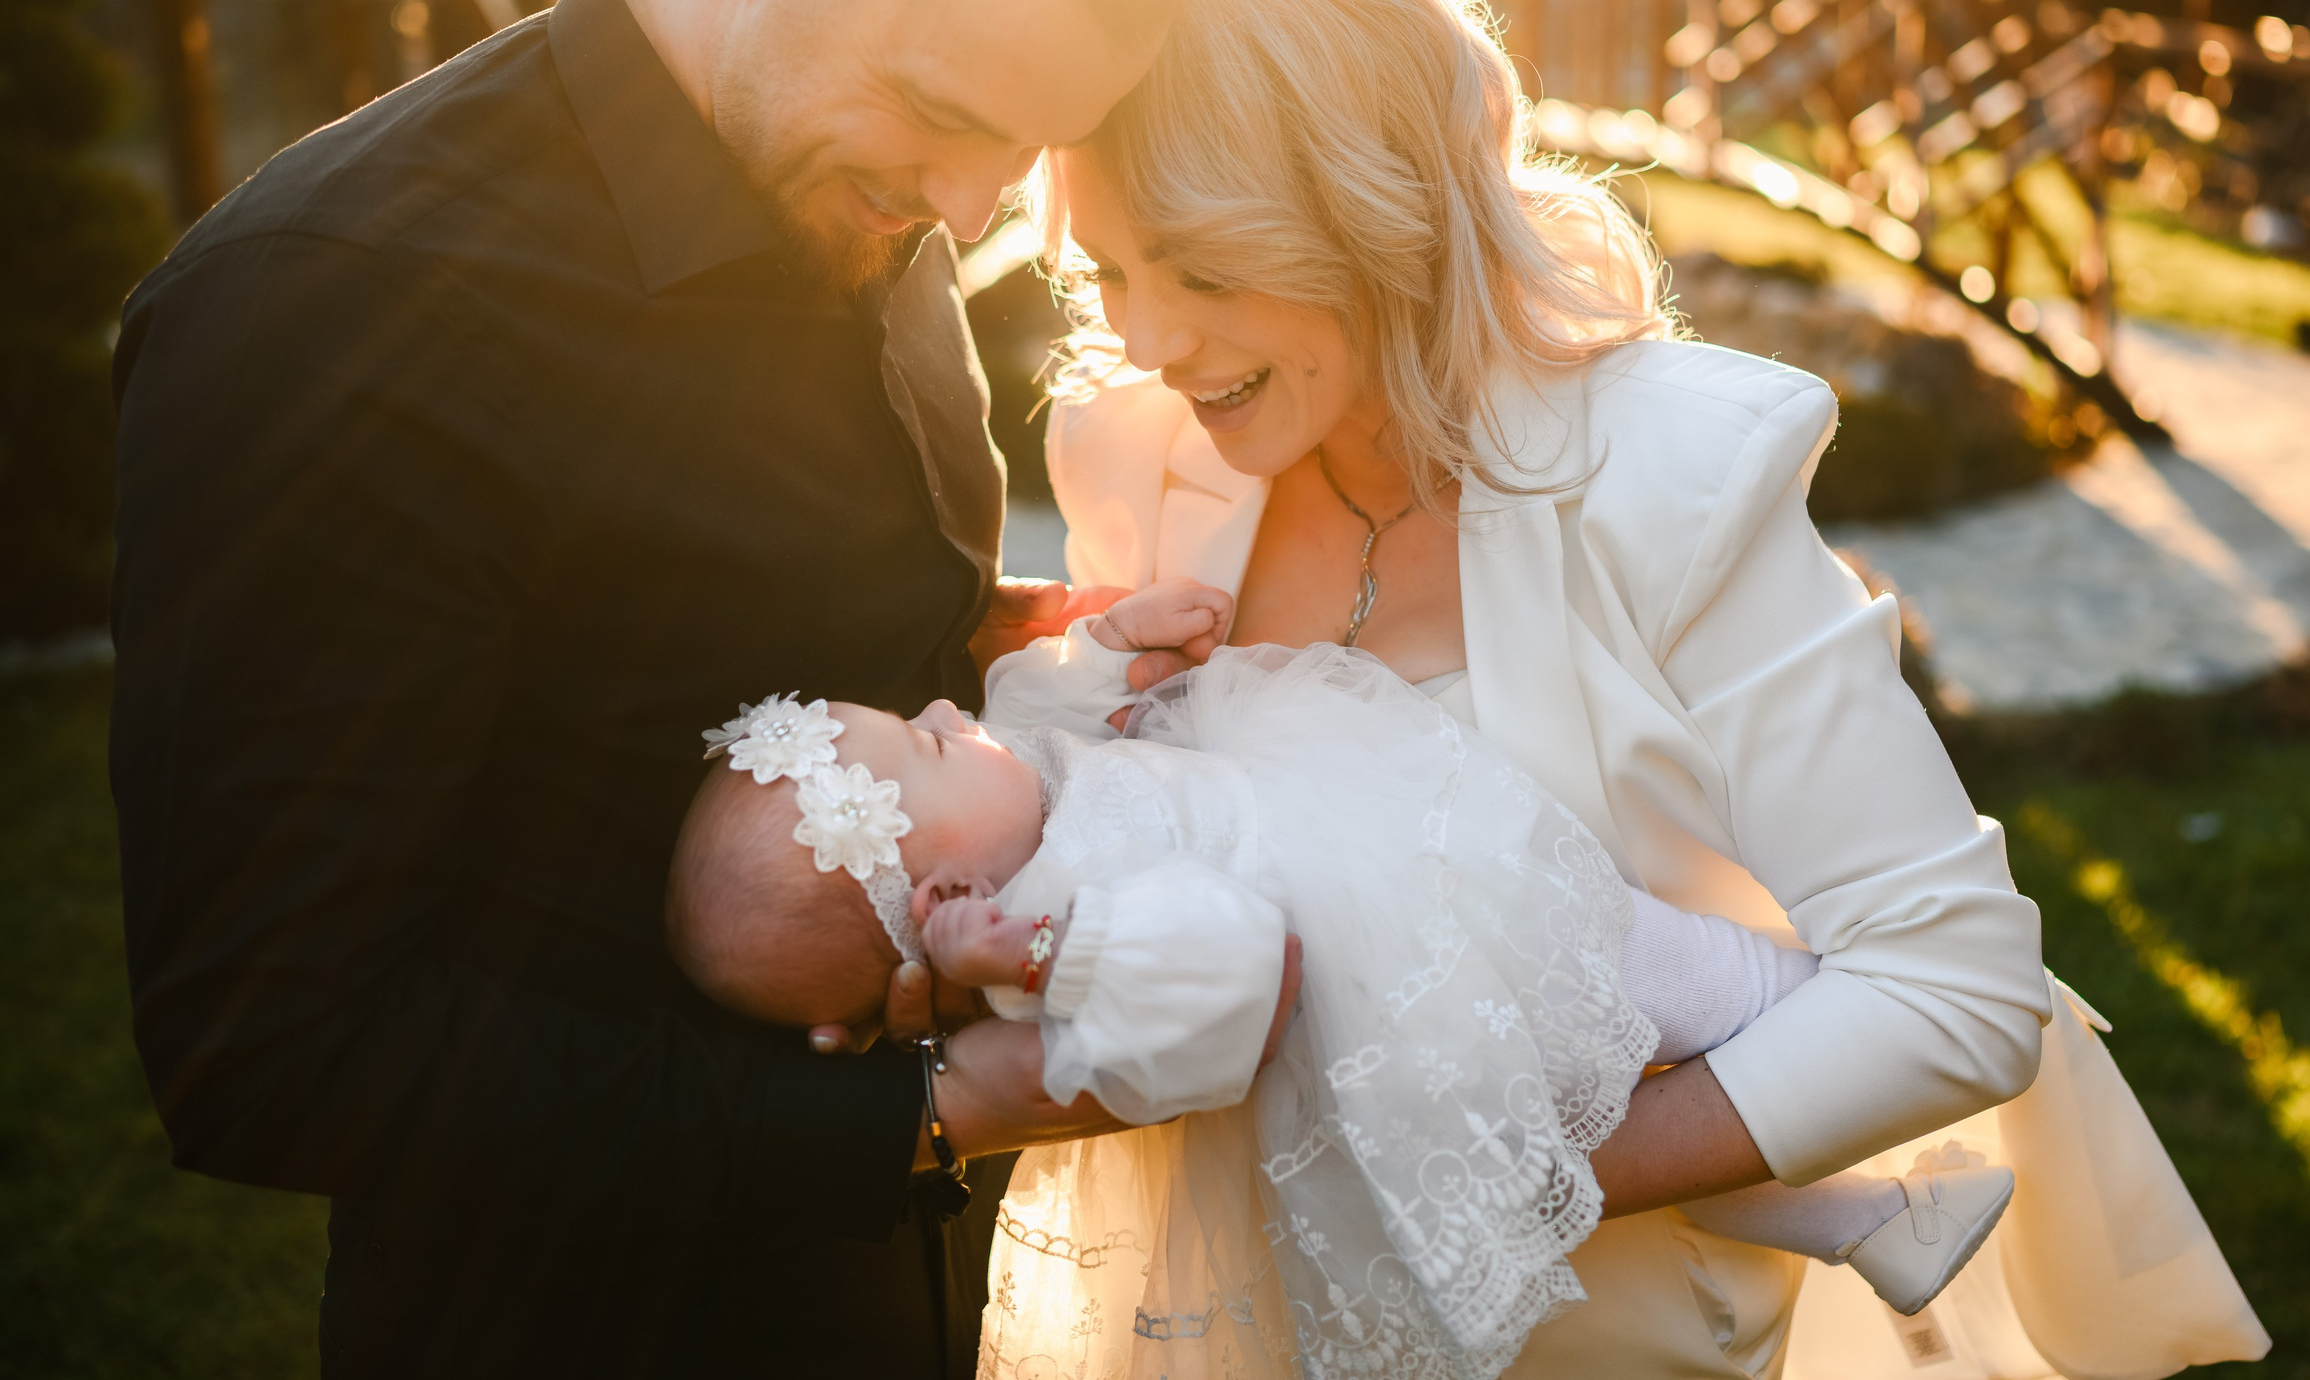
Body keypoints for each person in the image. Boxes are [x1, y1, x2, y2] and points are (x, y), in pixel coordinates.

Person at [107, 0, 1208, 1372]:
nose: (969, 211)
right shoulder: (332, 311)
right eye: (945, 113)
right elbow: (274, 1045)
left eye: (1025, 148)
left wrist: (962, 641)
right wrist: (930, 1114)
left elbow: (679, 630)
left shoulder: (864, 189)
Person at [1027, 0, 2268, 1377]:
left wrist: (1500, 1179)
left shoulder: (1674, 481)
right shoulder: (1134, 451)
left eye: (1203, 268)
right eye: (1108, 270)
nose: (1150, 337)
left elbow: (1952, 990)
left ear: (1381, 205)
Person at [659, 581, 2017, 1377]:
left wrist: (1107, 643)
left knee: (1584, 1124)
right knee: (1664, 987)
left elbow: (1041, 718)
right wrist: (1037, 955)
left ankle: (1860, 1220)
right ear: (938, 910)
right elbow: (1236, 986)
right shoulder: (1053, 954)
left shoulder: (1011, 801)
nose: (950, 711)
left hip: (1402, 894)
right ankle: (1846, 1026)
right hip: (1417, 948)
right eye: (924, 747)